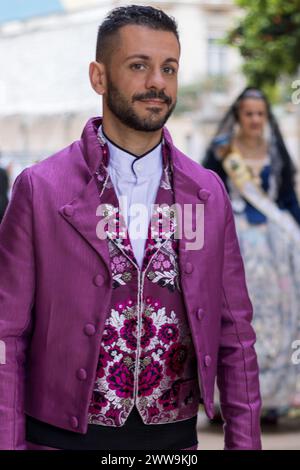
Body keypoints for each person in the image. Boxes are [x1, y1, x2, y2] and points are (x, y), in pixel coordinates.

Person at [0, 6, 261, 450]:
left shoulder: (208, 193)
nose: (156, 82)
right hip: (61, 440)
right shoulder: (40, 189)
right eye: (138, 66)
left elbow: (236, 335)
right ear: (98, 77)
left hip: (172, 443)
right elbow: (6, 338)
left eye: (169, 68)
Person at [203, 87, 300, 424]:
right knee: (234, 320)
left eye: (261, 114)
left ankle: (271, 400)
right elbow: (206, 195)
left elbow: (287, 199)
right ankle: (224, 401)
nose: (255, 120)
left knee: (274, 320)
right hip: (235, 249)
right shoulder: (221, 152)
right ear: (239, 116)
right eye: (249, 114)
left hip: (275, 257)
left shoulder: (276, 153)